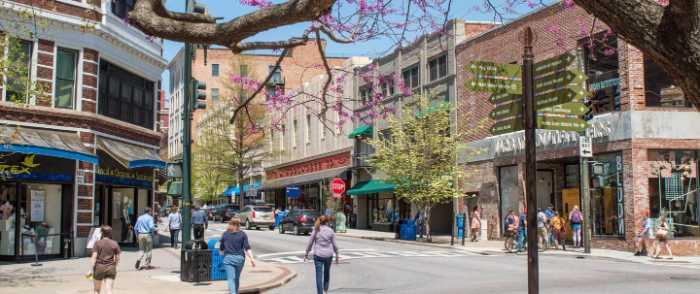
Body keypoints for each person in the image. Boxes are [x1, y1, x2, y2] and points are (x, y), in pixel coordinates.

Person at [219, 218, 256, 294]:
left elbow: (222, 248)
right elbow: (247, 247)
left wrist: (222, 252)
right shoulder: (242, 234)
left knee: (231, 279)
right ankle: (235, 292)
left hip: (228, 258)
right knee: (236, 278)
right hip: (240, 259)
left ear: (230, 224)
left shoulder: (225, 234)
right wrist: (252, 259)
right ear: (239, 225)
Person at [305, 215, 339, 294]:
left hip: (318, 255)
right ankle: (325, 290)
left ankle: (320, 293)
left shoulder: (316, 230)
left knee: (318, 276)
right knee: (327, 273)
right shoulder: (330, 231)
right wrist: (337, 255)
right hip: (328, 255)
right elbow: (335, 245)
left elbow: (310, 243)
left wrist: (306, 253)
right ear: (327, 222)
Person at [88, 225, 121, 294]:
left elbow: (94, 257)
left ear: (101, 233)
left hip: (99, 267)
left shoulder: (97, 243)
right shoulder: (114, 243)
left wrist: (91, 269)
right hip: (111, 267)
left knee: (97, 290)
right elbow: (117, 258)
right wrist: (115, 265)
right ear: (110, 233)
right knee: (109, 290)